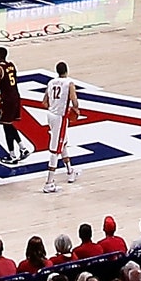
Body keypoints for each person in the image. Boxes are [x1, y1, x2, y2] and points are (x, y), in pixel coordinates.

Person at [43, 60, 80, 192]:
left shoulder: (50, 82)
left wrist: (55, 106)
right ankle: (49, 182)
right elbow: (74, 101)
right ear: (67, 71)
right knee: (55, 150)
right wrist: (75, 110)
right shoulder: (69, 83)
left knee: (62, 143)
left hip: (50, 115)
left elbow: (44, 102)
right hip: (60, 118)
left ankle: (70, 172)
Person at [0, 47, 29, 164]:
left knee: (6, 127)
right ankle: (23, 148)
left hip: (7, 99)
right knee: (8, 124)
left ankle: (12, 155)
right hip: (15, 96)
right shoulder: (11, 65)